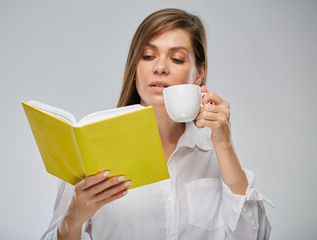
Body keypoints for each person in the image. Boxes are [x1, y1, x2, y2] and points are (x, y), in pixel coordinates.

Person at [41, 8, 273, 240]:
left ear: (198, 74)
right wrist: (72, 220)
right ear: (135, 69)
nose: (160, 67)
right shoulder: (90, 151)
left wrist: (225, 144)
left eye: (176, 59)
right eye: (148, 56)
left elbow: (256, 236)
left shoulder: (214, 152)